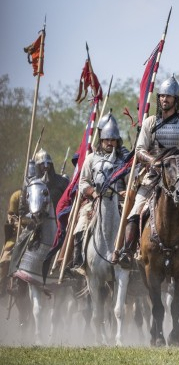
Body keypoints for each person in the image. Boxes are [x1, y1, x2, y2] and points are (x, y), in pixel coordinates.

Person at [113, 75, 179, 292]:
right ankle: (127, 250)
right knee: (136, 209)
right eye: (161, 96)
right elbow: (140, 149)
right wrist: (154, 161)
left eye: (168, 96)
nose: (164, 100)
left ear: (176, 99)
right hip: (154, 176)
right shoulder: (150, 123)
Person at [65, 114, 128, 277]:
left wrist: (126, 192)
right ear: (101, 140)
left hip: (120, 202)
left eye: (112, 140)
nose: (109, 143)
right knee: (81, 222)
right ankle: (79, 261)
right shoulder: (91, 159)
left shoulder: (123, 160)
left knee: (133, 224)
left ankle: (131, 259)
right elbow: (83, 181)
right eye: (106, 139)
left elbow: (132, 181)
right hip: (95, 201)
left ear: (117, 141)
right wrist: (93, 193)